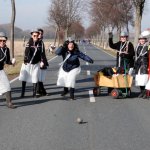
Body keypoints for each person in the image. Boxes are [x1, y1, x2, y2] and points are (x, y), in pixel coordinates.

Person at [19, 29, 45, 98]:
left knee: (35, 77)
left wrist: (42, 61)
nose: (36, 37)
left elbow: (42, 53)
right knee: (24, 78)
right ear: (32, 36)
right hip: (28, 63)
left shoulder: (40, 43)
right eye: (34, 35)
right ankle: (22, 93)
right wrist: (25, 58)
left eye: (37, 35)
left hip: (36, 64)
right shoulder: (29, 42)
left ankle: (34, 93)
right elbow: (26, 51)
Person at [0, 32, 16, 108]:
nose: (2, 42)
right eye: (0, 40)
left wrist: (12, 62)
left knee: (7, 85)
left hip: (0, 70)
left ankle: (9, 103)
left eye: (4, 40)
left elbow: (6, 61)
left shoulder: (7, 49)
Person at [36, 28, 49, 96]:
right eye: (39, 33)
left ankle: (40, 91)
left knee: (41, 77)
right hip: (37, 61)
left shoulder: (41, 42)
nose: (40, 35)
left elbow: (43, 53)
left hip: (42, 61)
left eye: (41, 34)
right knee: (38, 77)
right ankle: (40, 91)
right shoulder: (36, 42)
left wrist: (45, 61)